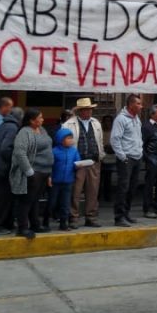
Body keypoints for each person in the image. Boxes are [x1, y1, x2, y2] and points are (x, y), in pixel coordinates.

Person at [60, 98, 105, 228]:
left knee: (93, 191)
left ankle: (91, 217)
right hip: (78, 162)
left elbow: (100, 140)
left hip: (93, 161)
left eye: (90, 109)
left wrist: (100, 156)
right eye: (86, 109)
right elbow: (64, 144)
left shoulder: (96, 123)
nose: (89, 111)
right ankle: (73, 217)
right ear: (80, 111)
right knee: (76, 191)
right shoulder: (69, 124)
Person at [10, 108, 53, 238]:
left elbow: (48, 148)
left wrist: (49, 173)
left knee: (35, 199)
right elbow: (20, 153)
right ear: (31, 120)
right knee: (26, 200)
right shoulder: (24, 132)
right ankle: (22, 227)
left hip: (44, 171)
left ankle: (35, 224)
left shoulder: (42, 130)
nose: (42, 119)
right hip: (33, 172)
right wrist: (29, 172)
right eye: (39, 117)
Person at [111, 94, 144, 227]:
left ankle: (126, 213)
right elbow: (115, 139)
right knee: (123, 188)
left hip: (137, 157)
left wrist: (140, 151)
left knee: (132, 187)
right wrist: (122, 157)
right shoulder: (121, 119)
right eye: (138, 104)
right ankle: (119, 217)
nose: (141, 107)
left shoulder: (137, 118)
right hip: (127, 158)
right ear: (131, 105)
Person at [0, 106, 22, 234]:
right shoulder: (13, 128)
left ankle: (5, 224)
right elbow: (5, 148)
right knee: (3, 200)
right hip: (4, 168)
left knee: (1, 199)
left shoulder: (3, 125)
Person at [50, 127, 80, 230]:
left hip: (68, 181)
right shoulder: (54, 151)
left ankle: (63, 223)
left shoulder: (74, 151)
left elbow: (77, 162)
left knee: (65, 204)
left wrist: (78, 166)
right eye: (68, 138)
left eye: (71, 138)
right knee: (52, 202)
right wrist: (49, 177)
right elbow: (50, 166)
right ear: (60, 139)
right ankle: (45, 221)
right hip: (55, 181)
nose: (71, 140)